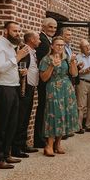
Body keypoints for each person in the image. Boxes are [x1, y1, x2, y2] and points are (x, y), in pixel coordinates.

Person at [0, 21, 30, 169]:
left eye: (19, 31)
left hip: (12, 87)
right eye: (14, 31)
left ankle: (6, 154)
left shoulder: (11, 47)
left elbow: (9, 67)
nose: (18, 34)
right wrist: (17, 58)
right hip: (1, 88)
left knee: (11, 124)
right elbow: (0, 68)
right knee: (0, 124)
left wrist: (20, 71)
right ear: (5, 31)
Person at [39, 36, 79, 156]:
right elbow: (43, 78)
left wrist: (72, 62)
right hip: (53, 88)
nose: (60, 47)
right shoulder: (46, 59)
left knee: (64, 114)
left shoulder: (66, 58)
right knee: (54, 114)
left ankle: (58, 144)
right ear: (52, 46)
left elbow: (74, 73)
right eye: (57, 45)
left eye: (62, 45)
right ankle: (49, 145)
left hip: (67, 88)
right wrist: (52, 65)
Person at [12, 31, 41, 158]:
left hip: (31, 87)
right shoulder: (24, 51)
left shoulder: (33, 52)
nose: (39, 41)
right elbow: (20, 68)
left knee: (27, 116)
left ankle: (23, 144)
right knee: (21, 117)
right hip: (24, 88)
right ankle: (16, 147)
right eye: (38, 38)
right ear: (32, 40)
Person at [34, 17, 57, 150]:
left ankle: (42, 137)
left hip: (48, 80)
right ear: (43, 27)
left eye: (54, 27)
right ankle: (39, 138)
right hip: (45, 80)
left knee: (44, 108)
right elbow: (44, 62)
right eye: (50, 27)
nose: (53, 29)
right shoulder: (43, 41)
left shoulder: (47, 40)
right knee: (42, 108)